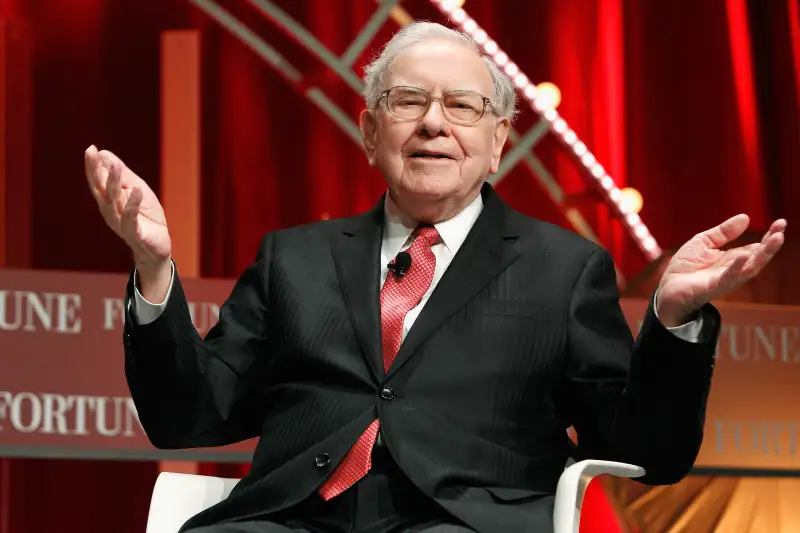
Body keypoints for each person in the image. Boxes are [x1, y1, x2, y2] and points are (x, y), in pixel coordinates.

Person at [84, 21, 785, 533]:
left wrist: (672, 317)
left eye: (463, 106)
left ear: (499, 142)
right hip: (290, 520)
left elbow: (642, 449)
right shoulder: (291, 260)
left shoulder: (563, 269)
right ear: (367, 131)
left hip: (465, 521)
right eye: (408, 101)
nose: (433, 124)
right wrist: (153, 269)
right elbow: (188, 415)